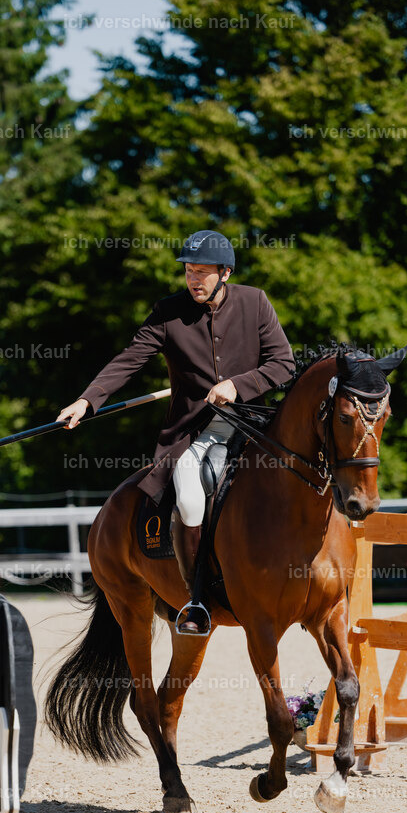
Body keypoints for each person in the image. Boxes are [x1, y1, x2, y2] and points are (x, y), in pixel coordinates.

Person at [58, 230, 295, 633]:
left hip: (254, 425)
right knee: (187, 494)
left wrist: (239, 385)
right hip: (194, 432)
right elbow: (129, 360)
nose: (193, 280)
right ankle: (197, 599)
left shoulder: (255, 303)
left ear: (225, 272)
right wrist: (88, 399)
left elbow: (284, 365)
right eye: (189, 271)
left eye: (202, 272)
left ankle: (304, 587)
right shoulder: (168, 313)